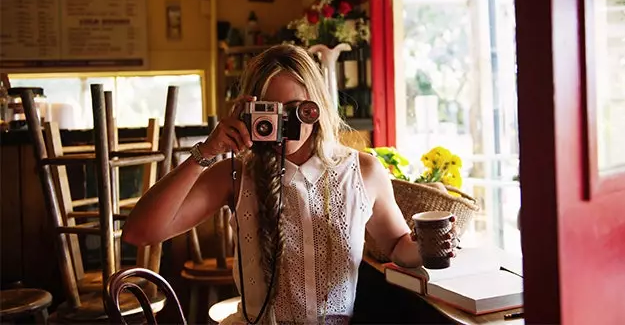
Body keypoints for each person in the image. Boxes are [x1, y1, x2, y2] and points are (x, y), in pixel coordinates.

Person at [122, 44, 455, 324]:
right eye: (271, 112)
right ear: (250, 111)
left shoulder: (362, 171)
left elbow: (397, 245)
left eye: (297, 111)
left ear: (317, 109)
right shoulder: (236, 174)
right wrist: (206, 152)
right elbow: (140, 232)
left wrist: (431, 246)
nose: (285, 126)